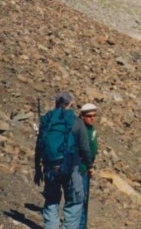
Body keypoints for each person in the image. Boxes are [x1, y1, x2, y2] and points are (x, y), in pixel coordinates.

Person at [34, 92, 94, 229]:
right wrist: (90, 166)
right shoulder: (76, 122)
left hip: (49, 168)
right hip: (71, 168)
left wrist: (38, 169)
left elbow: (39, 147)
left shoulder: (46, 120)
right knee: (74, 202)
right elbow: (85, 148)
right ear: (70, 104)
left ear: (56, 103)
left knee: (51, 201)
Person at [78, 103, 99, 228]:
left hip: (87, 168)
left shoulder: (92, 129)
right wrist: (89, 166)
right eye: (89, 116)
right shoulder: (80, 129)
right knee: (80, 201)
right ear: (82, 116)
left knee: (84, 201)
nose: (92, 118)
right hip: (81, 169)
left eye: (94, 116)